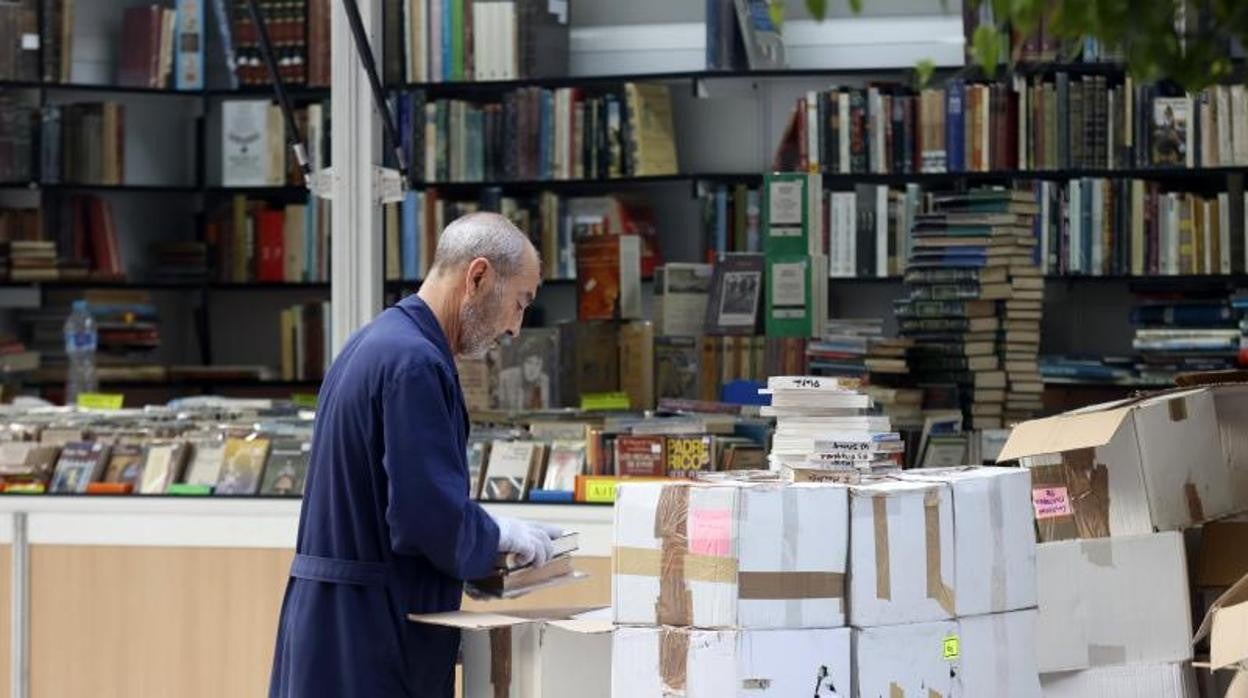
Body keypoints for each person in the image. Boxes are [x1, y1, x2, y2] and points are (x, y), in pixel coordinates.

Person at [268, 212, 562, 697]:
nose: (515, 328)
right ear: (479, 276)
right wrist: (496, 539)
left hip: (336, 619)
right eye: (519, 303)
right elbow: (425, 516)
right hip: (373, 637)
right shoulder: (416, 365)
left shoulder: (376, 342)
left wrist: (482, 541)